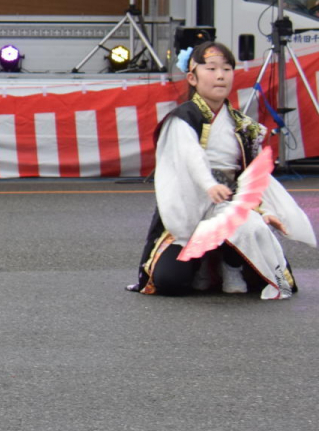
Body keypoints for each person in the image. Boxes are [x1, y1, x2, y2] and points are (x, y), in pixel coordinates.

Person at [130, 41, 316, 298]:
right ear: (192, 77)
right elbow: (190, 157)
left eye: (227, 69)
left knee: (253, 235)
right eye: (211, 68)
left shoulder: (244, 125)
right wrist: (208, 184)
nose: (220, 75)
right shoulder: (181, 120)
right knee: (170, 282)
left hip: (230, 203)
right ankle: (205, 263)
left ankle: (230, 265)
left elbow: (254, 176)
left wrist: (267, 211)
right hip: (190, 206)